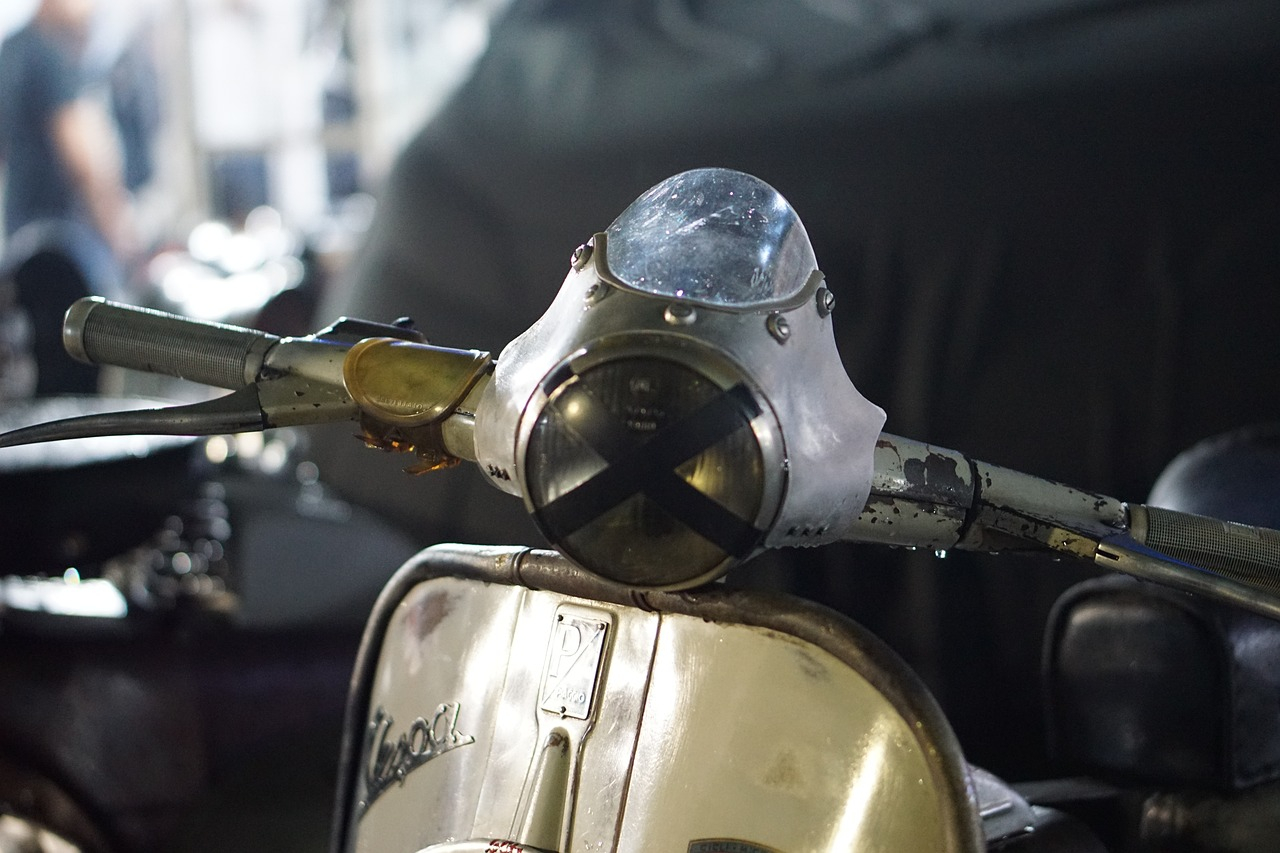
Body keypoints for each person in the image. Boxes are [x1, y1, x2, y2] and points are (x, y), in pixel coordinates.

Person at [0, 0, 136, 393]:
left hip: (22, 246)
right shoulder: (50, 55)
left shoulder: (11, 50)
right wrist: (119, 231)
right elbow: (84, 160)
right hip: (69, 255)